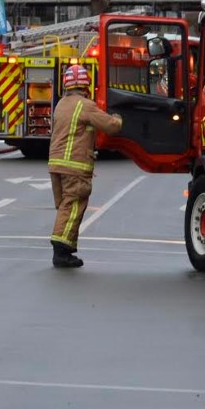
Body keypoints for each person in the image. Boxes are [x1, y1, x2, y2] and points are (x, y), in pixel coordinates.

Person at [48, 64, 123, 268]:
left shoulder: (61, 104)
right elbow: (110, 126)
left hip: (56, 163)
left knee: (65, 205)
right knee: (73, 205)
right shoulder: (85, 105)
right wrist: (118, 118)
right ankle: (60, 251)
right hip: (74, 164)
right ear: (85, 85)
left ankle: (67, 249)